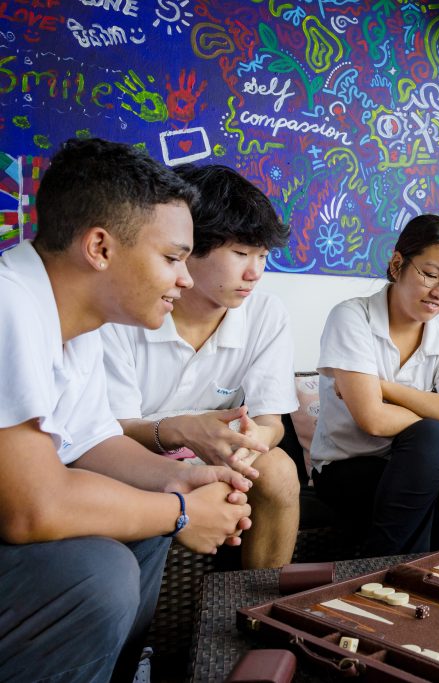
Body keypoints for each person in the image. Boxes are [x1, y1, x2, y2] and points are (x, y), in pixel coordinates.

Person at [0, 138, 251, 682]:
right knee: (98, 570)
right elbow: (33, 509)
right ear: (100, 247)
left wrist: (183, 479)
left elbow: (91, 443)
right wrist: (183, 513)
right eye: (172, 259)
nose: (184, 280)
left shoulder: (77, 318)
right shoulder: (10, 307)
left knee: (142, 517)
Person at [101, 164, 299, 569]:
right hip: (130, 451)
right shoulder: (126, 308)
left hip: (222, 450)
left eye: (263, 256)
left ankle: (257, 609)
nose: (254, 273)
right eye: (241, 254)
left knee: (278, 470)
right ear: (189, 247)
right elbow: (106, 431)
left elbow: (271, 422)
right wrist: (184, 434)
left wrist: (242, 451)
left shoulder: (265, 314)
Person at [311, 214, 439, 556]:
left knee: (433, 440)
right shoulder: (352, 317)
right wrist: (434, 413)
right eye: (430, 275)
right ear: (398, 264)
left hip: (420, 459)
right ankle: (409, 576)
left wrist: (382, 388)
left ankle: (380, 572)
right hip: (347, 467)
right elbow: (372, 420)